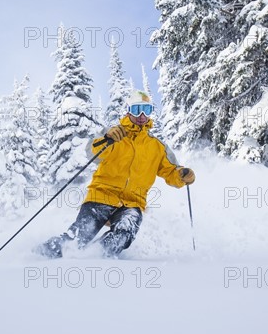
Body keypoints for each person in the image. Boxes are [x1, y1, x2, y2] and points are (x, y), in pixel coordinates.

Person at [35, 90, 195, 258]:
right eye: (136, 109)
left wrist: (182, 175)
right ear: (128, 111)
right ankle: (38, 256)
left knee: (124, 233)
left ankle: (94, 258)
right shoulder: (114, 134)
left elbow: (171, 171)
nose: (141, 115)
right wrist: (107, 138)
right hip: (101, 196)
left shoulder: (157, 147)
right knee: (78, 237)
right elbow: (92, 152)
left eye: (146, 110)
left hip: (132, 203)